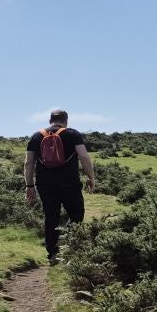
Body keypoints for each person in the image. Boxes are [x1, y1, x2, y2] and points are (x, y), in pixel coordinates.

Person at [23, 110, 96, 265]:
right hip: (70, 183)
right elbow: (83, 156)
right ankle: (69, 244)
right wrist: (91, 177)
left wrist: (29, 185)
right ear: (66, 120)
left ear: (50, 120)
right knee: (77, 214)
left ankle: (53, 254)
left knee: (51, 217)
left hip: (45, 185)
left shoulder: (36, 136)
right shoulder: (73, 134)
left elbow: (28, 163)